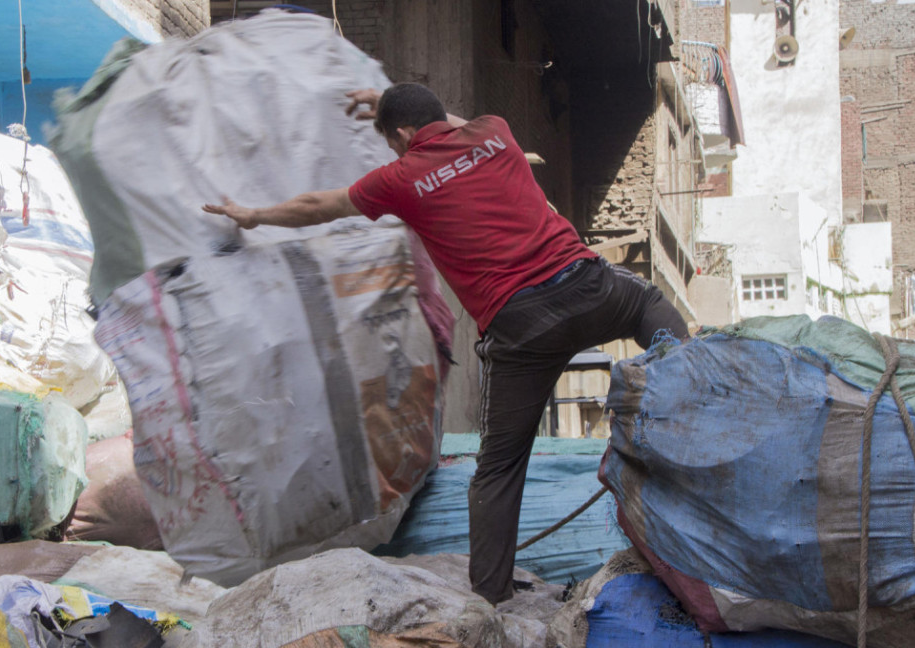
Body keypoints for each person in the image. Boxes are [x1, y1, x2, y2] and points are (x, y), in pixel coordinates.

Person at [203, 83, 689, 605]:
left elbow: (318, 205)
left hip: (519, 327)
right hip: (587, 285)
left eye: (393, 141)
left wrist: (254, 216)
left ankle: (492, 597)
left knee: (499, 467)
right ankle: (697, 389)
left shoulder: (401, 177)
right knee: (648, 306)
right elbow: (454, 127)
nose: (394, 152)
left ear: (403, 135)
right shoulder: (496, 131)